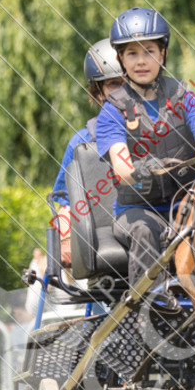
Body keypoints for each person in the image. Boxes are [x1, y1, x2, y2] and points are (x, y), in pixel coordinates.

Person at [95, 6, 195, 286]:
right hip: (137, 213)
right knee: (145, 231)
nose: (141, 61)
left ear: (163, 54)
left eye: (149, 51)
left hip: (188, 206)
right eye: (132, 54)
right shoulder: (113, 111)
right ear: (121, 60)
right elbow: (122, 168)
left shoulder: (185, 96)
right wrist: (144, 169)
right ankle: (149, 313)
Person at [52, 38, 124, 268]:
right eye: (114, 83)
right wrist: (65, 240)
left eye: (128, 82)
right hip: (102, 239)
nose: (123, 91)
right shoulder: (82, 142)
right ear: (99, 92)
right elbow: (66, 200)